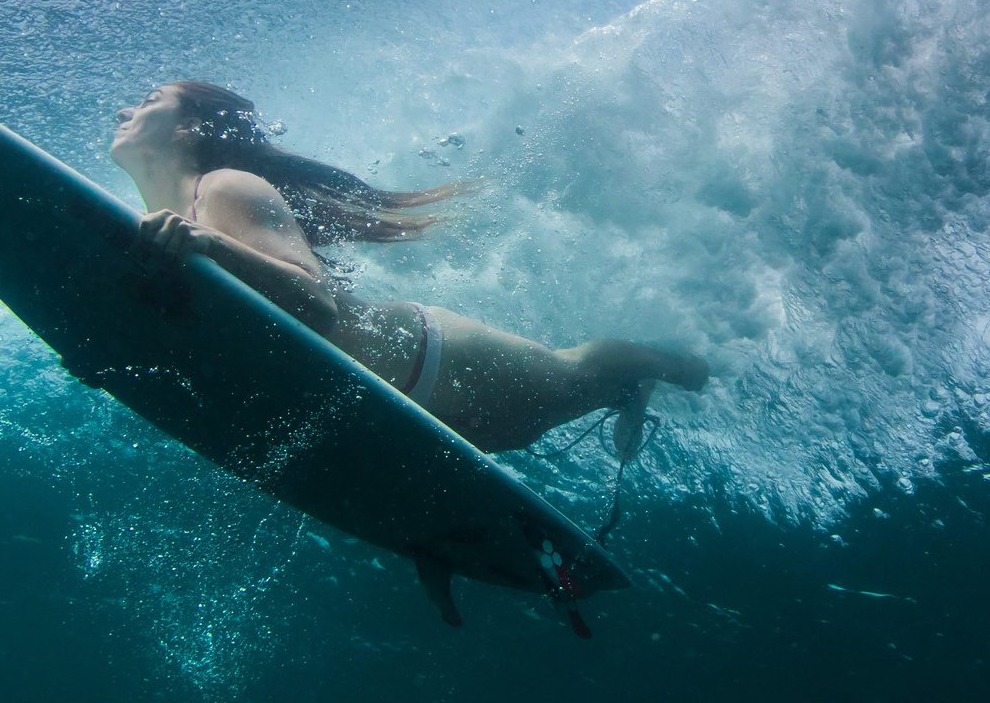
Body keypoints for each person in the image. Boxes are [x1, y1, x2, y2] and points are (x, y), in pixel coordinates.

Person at [111, 80, 706, 454]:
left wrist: (208, 244)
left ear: (189, 128)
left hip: (436, 366)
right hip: (395, 413)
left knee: (576, 374)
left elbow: (315, 305)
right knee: (554, 407)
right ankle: (626, 386)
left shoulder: (222, 189)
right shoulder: (169, 224)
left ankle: (674, 363)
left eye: (148, 101)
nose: (124, 108)